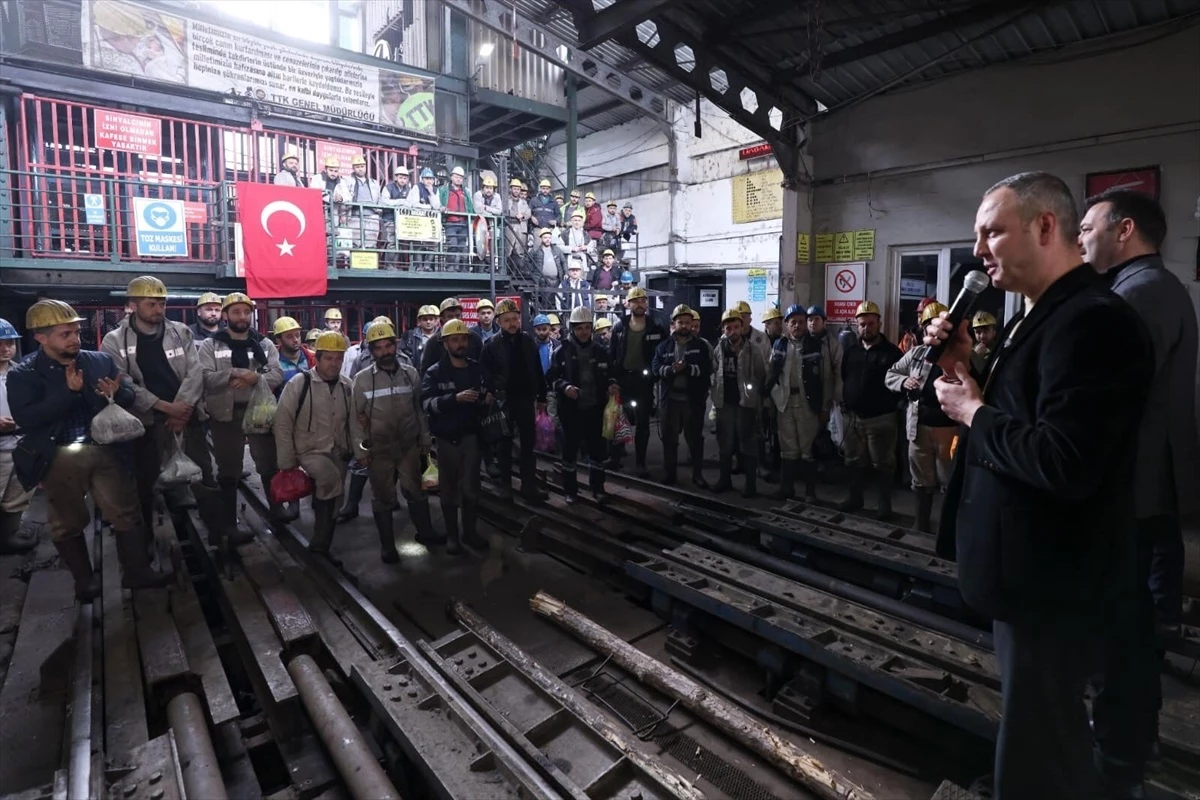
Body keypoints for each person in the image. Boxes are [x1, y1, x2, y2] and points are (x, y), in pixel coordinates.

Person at [926, 171, 1152, 800]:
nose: (977, 251)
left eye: (992, 231)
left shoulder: (1093, 322)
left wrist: (974, 412)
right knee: (1039, 732)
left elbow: (1064, 460)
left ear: (1046, 227)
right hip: (1027, 574)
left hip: (1052, 578)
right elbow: (1024, 420)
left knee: (1038, 745)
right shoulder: (1039, 317)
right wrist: (961, 371)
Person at [1079, 188, 1199, 794]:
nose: (1082, 239)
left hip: (1133, 486)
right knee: (1135, 621)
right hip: (1151, 483)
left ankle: (1119, 754)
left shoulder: (1138, 293)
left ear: (1124, 230)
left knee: (1119, 623)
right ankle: (1133, 737)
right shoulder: (1157, 286)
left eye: (1088, 228)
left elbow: (1111, 394)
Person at [7, 300, 172, 599]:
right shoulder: (25, 373)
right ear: (41, 337)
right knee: (67, 521)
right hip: (59, 456)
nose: (74, 339)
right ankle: (84, 581)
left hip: (106, 450)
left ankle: (136, 573)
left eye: (75, 331)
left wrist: (116, 392)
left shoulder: (97, 361)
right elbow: (27, 419)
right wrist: (67, 394)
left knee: (126, 511)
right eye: (64, 334)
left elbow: (127, 394)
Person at [101, 276, 212, 527]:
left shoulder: (181, 332)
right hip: (146, 422)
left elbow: (196, 372)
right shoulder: (114, 341)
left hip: (187, 416)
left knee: (204, 474)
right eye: (151, 304)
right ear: (133, 305)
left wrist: (181, 410)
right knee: (146, 480)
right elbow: (124, 382)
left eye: (162, 303)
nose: (159, 310)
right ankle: (147, 537)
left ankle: (220, 530)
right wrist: (165, 407)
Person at [198, 293, 285, 542]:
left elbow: (276, 374)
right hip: (226, 415)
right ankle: (229, 524)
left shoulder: (264, 344)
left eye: (246, 312)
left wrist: (255, 377)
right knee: (229, 470)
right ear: (226, 315)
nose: (242, 317)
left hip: (259, 413)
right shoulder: (211, 345)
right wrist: (233, 373)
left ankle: (277, 512)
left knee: (268, 464)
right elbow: (204, 376)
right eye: (236, 312)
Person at [350, 322, 440, 563]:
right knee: (383, 498)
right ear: (371, 351)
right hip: (379, 450)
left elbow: (419, 410)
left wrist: (424, 439)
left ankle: (426, 532)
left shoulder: (410, 374)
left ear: (396, 345)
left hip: (409, 446)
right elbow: (355, 419)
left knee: (416, 492)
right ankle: (388, 546)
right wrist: (361, 451)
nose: (385, 352)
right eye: (378, 348)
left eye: (388, 346)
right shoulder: (362, 380)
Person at [275, 332, 354, 564]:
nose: (334, 364)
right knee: (329, 482)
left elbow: (353, 423)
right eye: (328, 358)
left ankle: (323, 542)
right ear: (316, 359)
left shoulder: (347, 386)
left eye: (338, 358)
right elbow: (283, 422)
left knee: (335, 497)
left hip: (338, 451)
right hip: (309, 450)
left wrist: (357, 450)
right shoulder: (300, 384)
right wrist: (287, 461)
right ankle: (320, 544)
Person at [884, 301, 959, 533]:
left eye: (938, 326)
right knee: (921, 480)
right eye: (929, 326)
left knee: (950, 481)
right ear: (924, 329)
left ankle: (949, 528)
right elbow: (890, 374)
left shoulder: (959, 356)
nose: (933, 331)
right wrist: (903, 382)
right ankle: (921, 523)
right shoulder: (916, 354)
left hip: (949, 430)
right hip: (918, 427)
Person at [421, 320, 490, 554]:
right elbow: (427, 404)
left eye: (463, 339)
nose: (461, 344)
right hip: (447, 440)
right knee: (449, 490)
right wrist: (454, 399)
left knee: (471, 489)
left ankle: (469, 533)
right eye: (455, 340)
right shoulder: (435, 372)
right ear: (445, 343)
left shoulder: (476, 369)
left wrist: (486, 400)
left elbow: (484, 397)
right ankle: (453, 537)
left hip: (471, 437)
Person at [765, 305, 837, 501]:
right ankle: (786, 489)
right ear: (786, 325)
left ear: (806, 324)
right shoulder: (778, 345)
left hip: (808, 405)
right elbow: (771, 374)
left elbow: (827, 379)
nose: (797, 325)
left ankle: (810, 493)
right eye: (793, 322)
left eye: (801, 322)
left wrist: (824, 407)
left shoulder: (817, 346)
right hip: (784, 403)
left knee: (808, 449)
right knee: (787, 449)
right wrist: (771, 400)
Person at [481, 300, 549, 503]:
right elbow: (484, 371)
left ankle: (528, 486)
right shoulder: (491, 344)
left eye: (514, 319)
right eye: (506, 320)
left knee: (528, 444)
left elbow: (537, 369)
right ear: (499, 322)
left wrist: (542, 396)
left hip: (525, 398)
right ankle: (506, 487)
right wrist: (493, 389)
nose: (512, 323)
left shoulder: (528, 341)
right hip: (503, 400)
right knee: (503, 444)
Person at [839, 300, 902, 519]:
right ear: (857, 325)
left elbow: (898, 385)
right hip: (853, 418)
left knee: (883, 464)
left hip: (881, 418)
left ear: (879, 324)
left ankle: (884, 506)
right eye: (862, 324)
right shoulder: (851, 351)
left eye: (871, 323)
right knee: (854, 460)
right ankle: (855, 498)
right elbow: (845, 377)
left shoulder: (892, 353)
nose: (867, 328)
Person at [549, 307, 618, 503]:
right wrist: (565, 387)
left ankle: (598, 488)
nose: (584, 332)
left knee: (597, 452)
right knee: (570, 453)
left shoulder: (601, 351)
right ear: (572, 328)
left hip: (595, 409)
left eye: (587, 327)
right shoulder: (561, 352)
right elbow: (552, 378)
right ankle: (570, 491)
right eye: (579, 328)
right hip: (571, 411)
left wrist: (612, 383)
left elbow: (610, 373)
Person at [608, 286, 667, 477]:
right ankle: (616, 457)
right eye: (636, 301)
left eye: (643, 301)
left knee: (642, 422)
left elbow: (664, 353)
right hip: (623, 379)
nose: (640, 304)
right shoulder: (620, 327)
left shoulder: (656, 327)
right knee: (618, 420)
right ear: (628, 304)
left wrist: (655, 374)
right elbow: (612, 355)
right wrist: (613, 379)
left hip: (644, 381)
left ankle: (640, 462)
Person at [651, 305, 712, 488]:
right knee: (670, 439)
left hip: (692, 401)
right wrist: (671, 370)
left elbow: (706, 370)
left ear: (692, 324)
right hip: (670, 400)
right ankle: (670, 474)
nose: (684, 326)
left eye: (687, 322)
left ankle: (697, 475)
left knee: (694, 439)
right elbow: (655, 368)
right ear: (673, 324)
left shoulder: (700, 345)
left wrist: (687, 369)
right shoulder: (664, 346)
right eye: (680, 322)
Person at [710, 308, 766, 498]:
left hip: (744, 404)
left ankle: (750, 485)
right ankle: (724, 480)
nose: (732, 331)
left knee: (747, 443)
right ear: (724, 330)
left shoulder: (752, 350)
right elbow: (713, 370)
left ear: (742, 328)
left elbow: (760, 374)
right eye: (728, 328)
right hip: (724, 403)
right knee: (725, 442)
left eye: (736, 327)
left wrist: (752, 393)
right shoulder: (719, 348)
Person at [0, 318, 36, 554]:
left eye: (9, 343)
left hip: (21, 445)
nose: (5, 349)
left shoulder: (21, 372)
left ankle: (8, 537)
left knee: (17, 495)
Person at [421, 298, 483, 373]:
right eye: (450, 316)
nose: (455, 319)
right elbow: (426, 372)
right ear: (442, 319)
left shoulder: (473, 338)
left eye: (457, 316)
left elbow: (482, 366)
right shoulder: (433, 342)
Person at [272, 316, 314, 392]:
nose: (295, 340)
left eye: (297, 335)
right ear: (279, 341)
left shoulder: (312, 358)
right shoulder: (273, 363)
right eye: (289, 336)